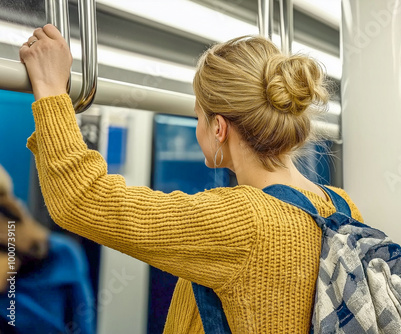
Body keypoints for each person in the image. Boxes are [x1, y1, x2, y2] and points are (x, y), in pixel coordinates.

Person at [19, 25, 363, 333]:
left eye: (199, 116)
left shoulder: (241, 221)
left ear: (218, 128)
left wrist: (50, 90)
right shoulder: (342, 206)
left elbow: (81, 199)